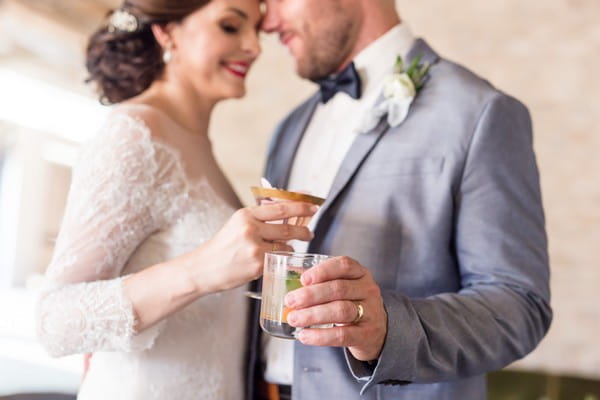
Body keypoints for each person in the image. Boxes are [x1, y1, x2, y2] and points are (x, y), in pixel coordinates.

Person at [248, 0, 553, 399]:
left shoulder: (480, 113)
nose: (266, 21)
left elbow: (520, 305)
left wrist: (389, 328)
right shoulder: (289, 126)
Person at [35, 1, 318, 399]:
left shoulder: (196, 143)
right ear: (167, 33)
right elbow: (54, 321)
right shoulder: (132, 136)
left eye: (256, 29)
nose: (254, 46)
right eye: (231, 26)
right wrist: (202, 269)